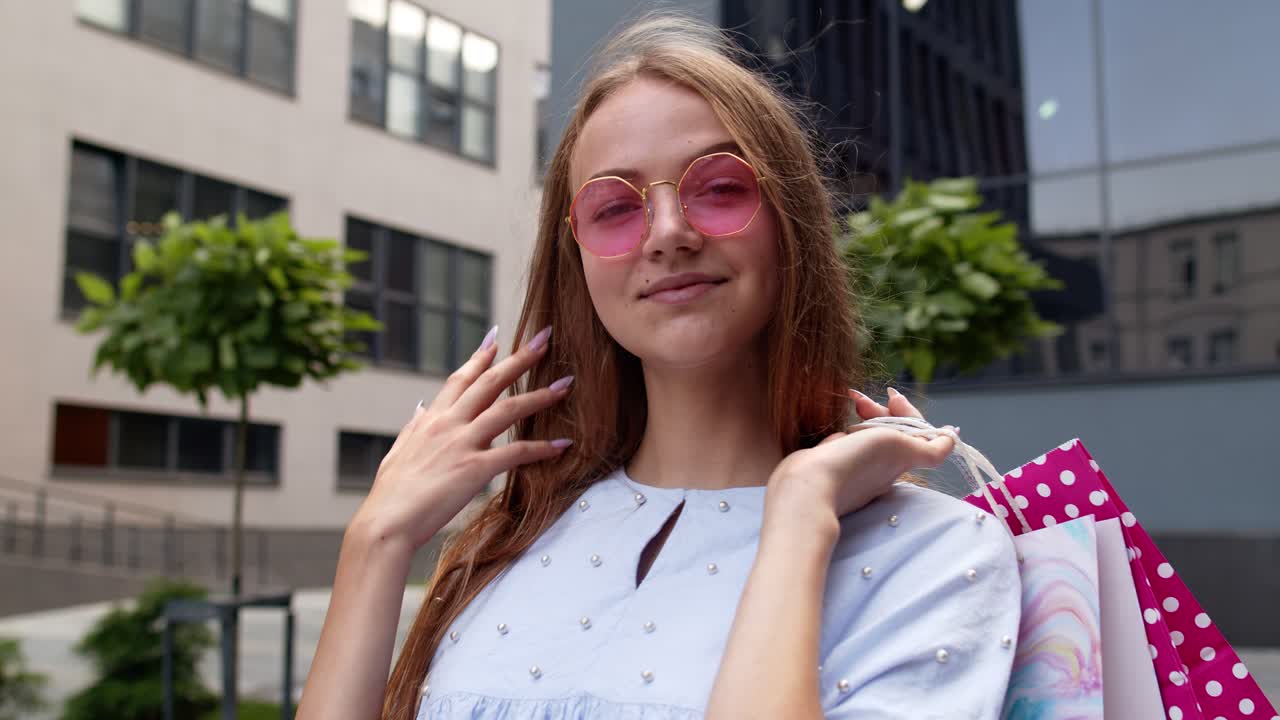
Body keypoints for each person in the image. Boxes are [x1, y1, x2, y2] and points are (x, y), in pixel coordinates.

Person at [297, 14, 1020, 720]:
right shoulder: (503, 543)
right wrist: (376, 542)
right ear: (575, 260)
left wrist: (799, 515)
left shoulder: (935, 555)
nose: (669, 233)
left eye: (719, 187)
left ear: (789, 221)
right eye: (615, 207)